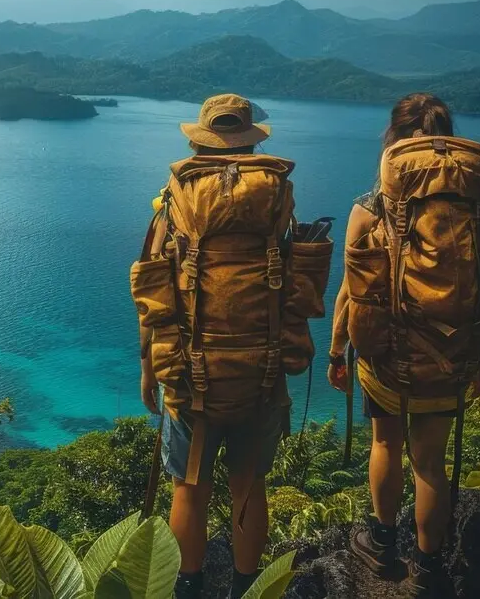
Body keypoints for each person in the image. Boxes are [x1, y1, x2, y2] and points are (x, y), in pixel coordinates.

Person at [134, 94, 329, 599]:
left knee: (189, 487)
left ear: (198, 139)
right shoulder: (277, 199)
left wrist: (148, 368)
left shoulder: (173, 200)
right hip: (261, 370)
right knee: (248, 484)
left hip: (190, 369)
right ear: (249, 136)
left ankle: (189, 586)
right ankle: (247, 588)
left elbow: (153, 289)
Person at [328, 92, 480, 598]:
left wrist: (335, 351)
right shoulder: (472, 213)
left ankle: (382, 542)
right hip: (452, 360)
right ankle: (429, 567)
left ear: (394, 140)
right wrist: (478, 360)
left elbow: (350, 289)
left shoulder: (370, 208)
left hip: (388, 361)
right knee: (430, 461)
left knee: (385, 442)